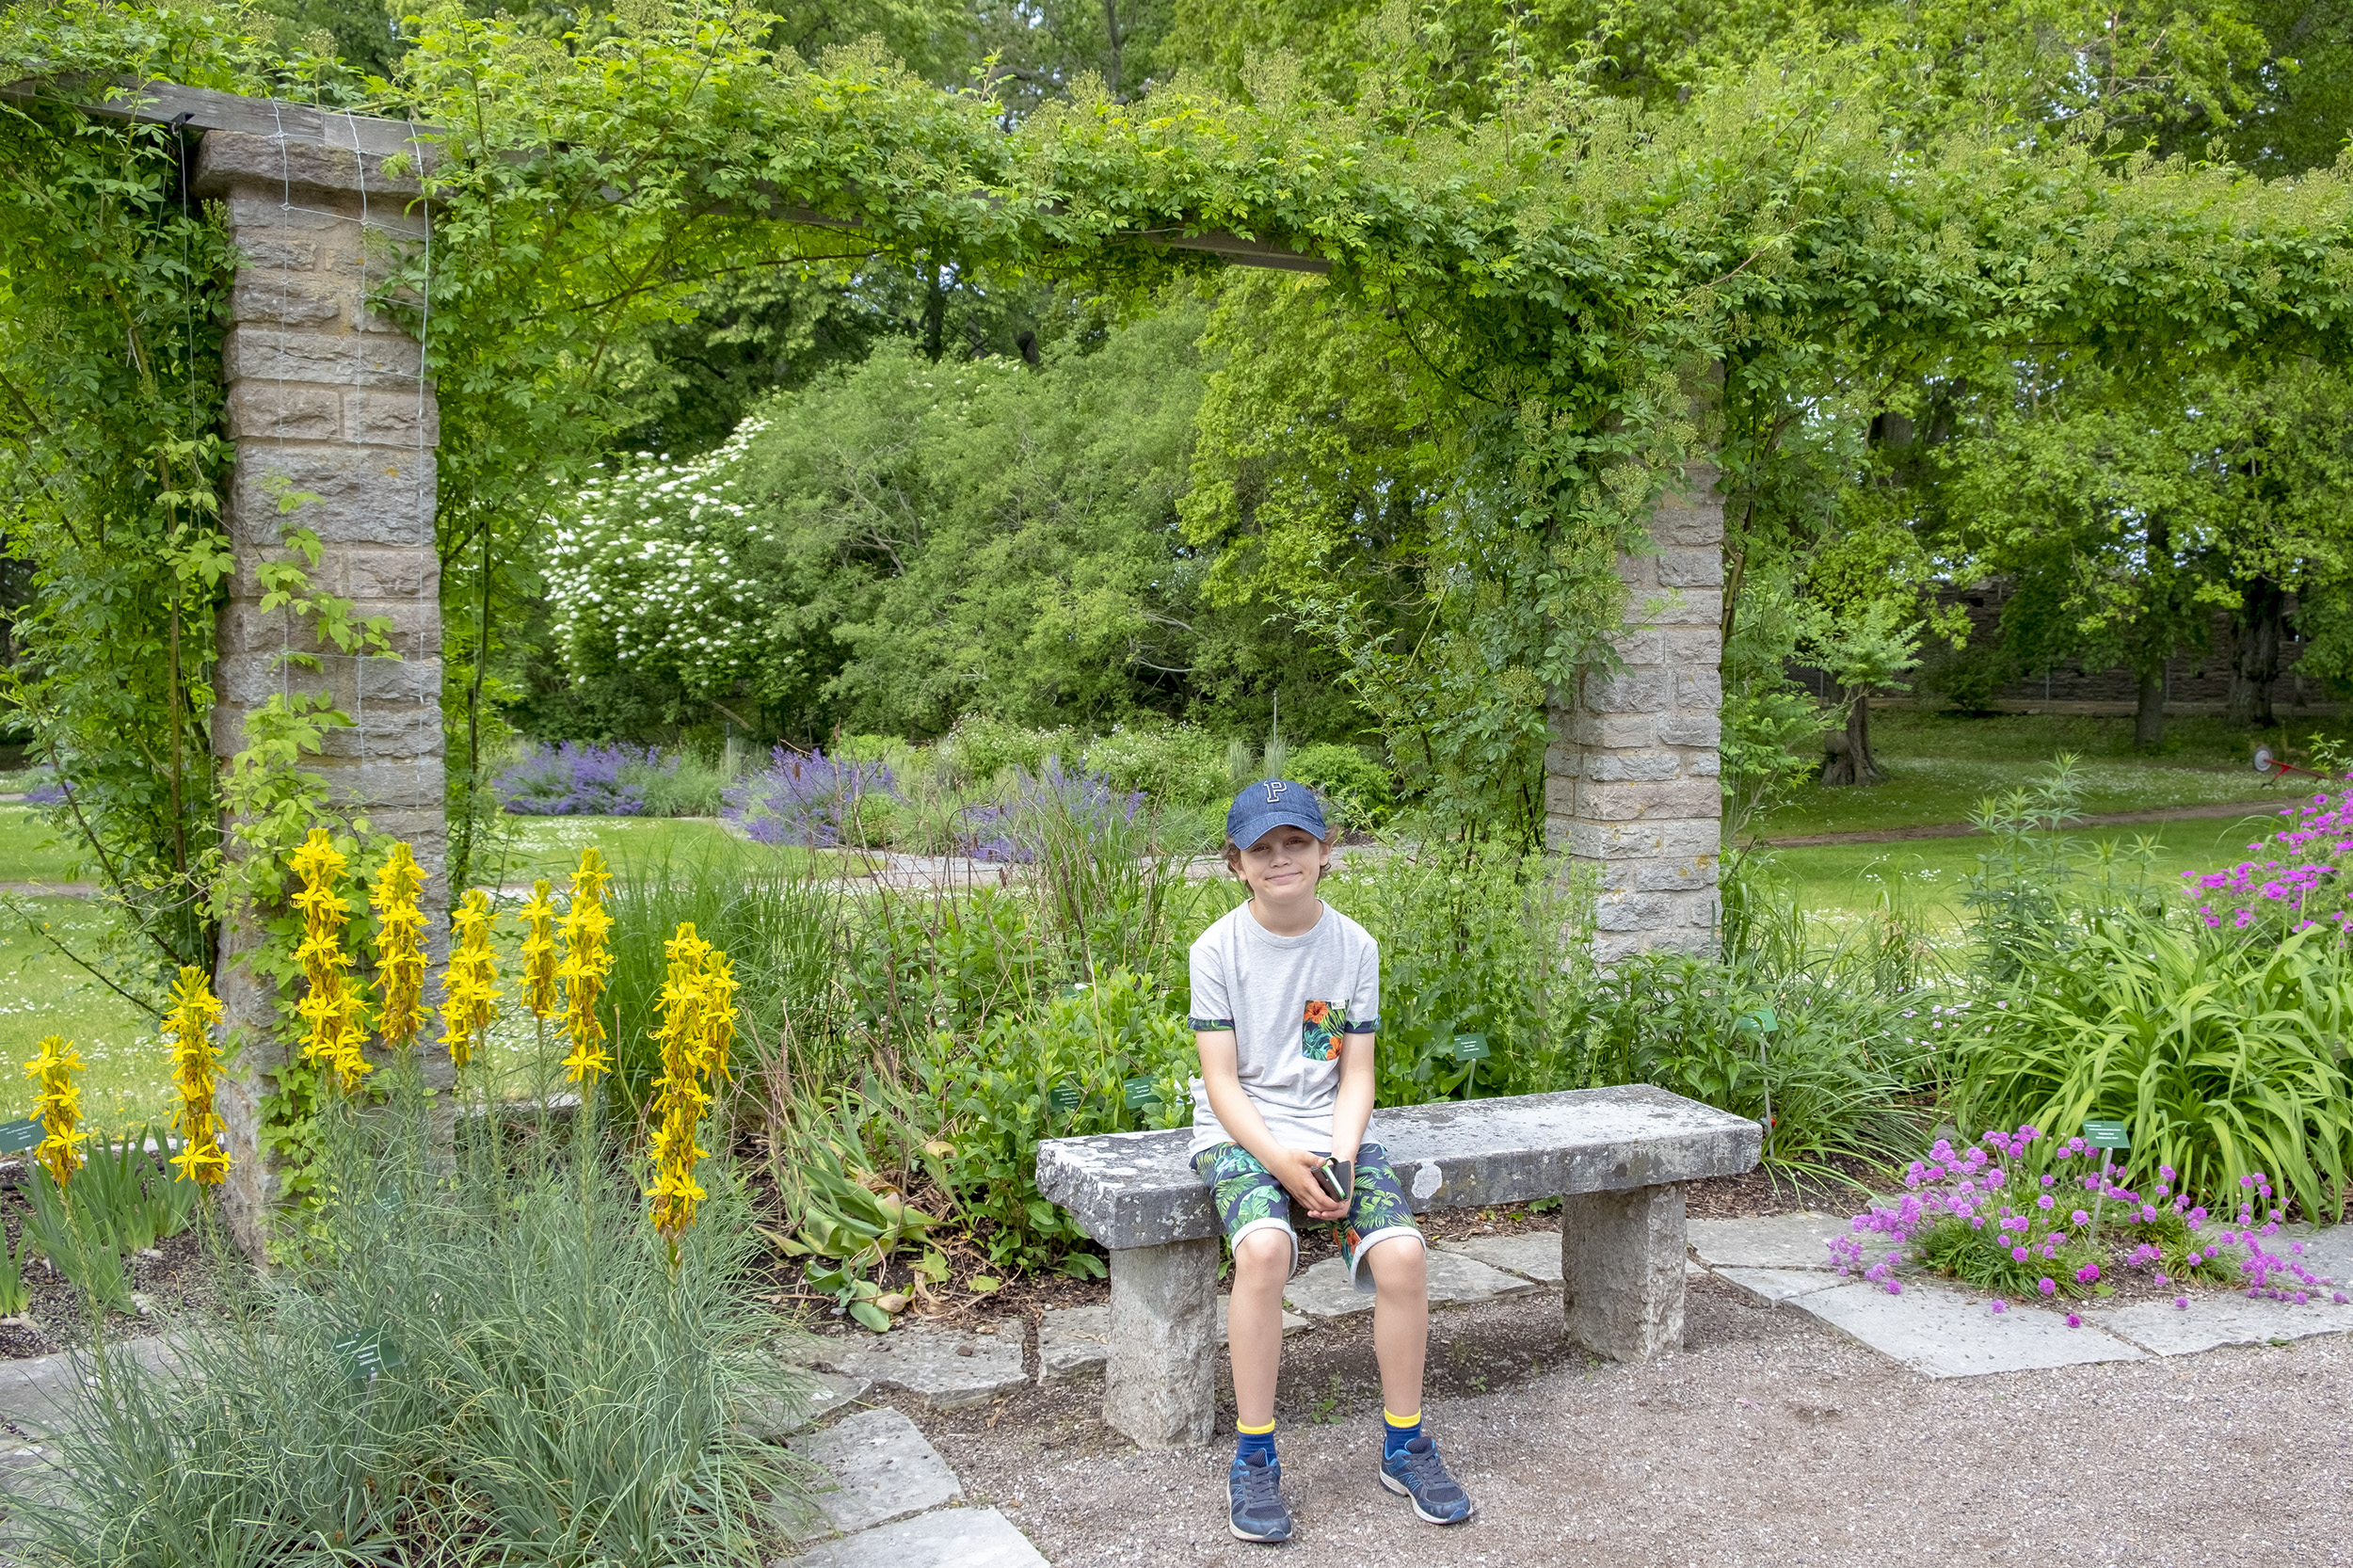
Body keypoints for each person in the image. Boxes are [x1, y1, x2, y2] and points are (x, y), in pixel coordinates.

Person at [1187, 778, 1474, 1544]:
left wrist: (1340, 1159)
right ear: (1237, 864)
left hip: (1331, 1129)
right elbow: (1221, 1083)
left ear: (1325, 851)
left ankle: (1405, 1443)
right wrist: (1283, 1163)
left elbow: (1354, 1072)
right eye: (1262, 848)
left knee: (1406, 1257)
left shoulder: (1354, 945)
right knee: (1266, 1250)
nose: (1281, 859)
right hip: (1245, 1132)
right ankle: (1254, 1457)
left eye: (1297, 843)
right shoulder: (1217, 949)